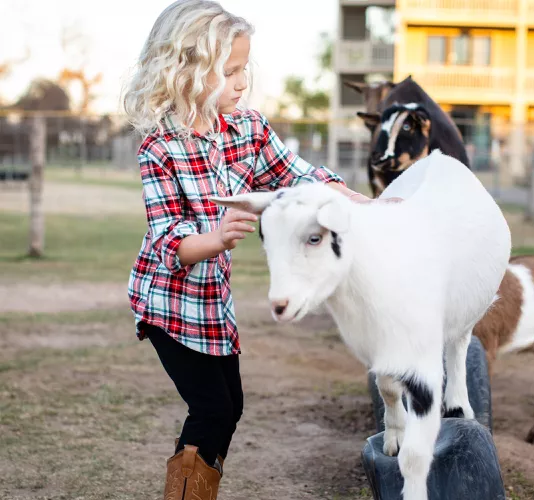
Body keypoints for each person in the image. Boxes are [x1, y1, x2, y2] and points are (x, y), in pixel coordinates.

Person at [122, 1, 378, 497]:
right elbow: (168, 240)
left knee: (230, 407)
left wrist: (357, 199)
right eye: (231, 71)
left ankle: (194, 486)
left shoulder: (248, 128)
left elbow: (297, 175)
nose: (243, 82)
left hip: (213, 303)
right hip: (167, 304)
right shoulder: (159, 150)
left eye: (245, 69)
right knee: (213, 407)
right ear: (188, 71)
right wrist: (217, 238)